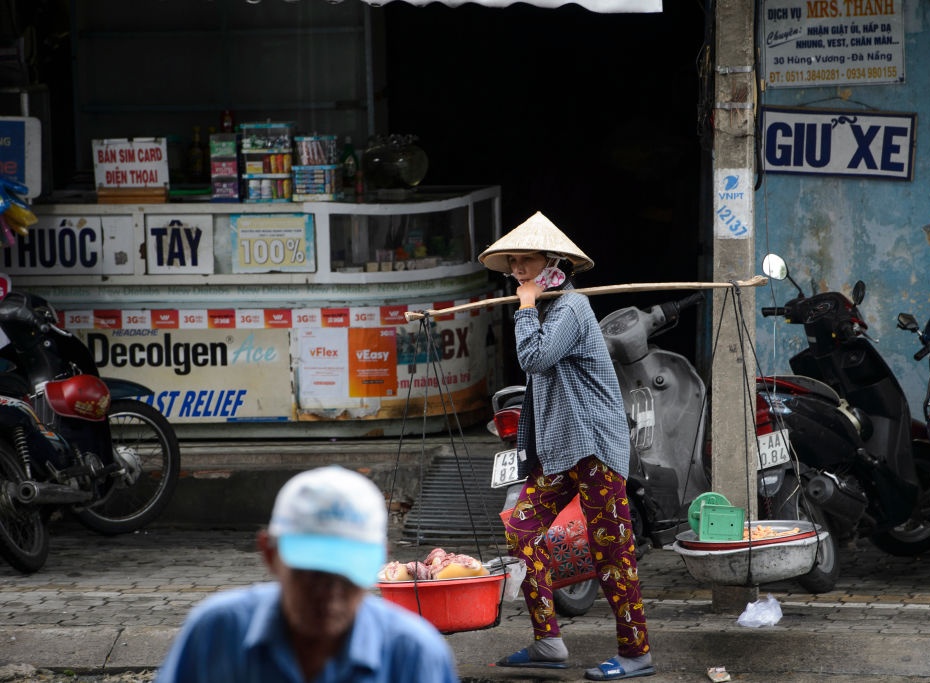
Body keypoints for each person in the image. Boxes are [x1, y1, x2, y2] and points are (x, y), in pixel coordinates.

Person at [478, 211, 654, 681]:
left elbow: (533, 358)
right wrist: (532, 304)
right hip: (559, 450)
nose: (517, 271)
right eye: (512, 263)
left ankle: (636, 652)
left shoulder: (572, 308)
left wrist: (526, 305)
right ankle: (549, 640)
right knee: (521, 530)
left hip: (593, 445)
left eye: (525, 261)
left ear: (551, 261)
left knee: (611, 549)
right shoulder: (549, 307)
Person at [155, 465, 459, 683]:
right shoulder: (215, 633)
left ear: (381, 560)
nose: (327, 593)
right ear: (270, 554)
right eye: (311, 572)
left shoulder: (414, 655)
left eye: (346, 573)